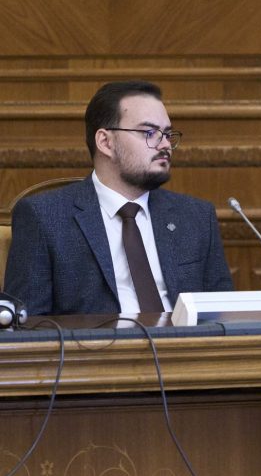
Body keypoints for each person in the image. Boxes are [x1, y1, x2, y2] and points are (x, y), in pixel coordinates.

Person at [4, 80, 233, 315]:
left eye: (167, 134)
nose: (165, 145)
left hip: (183, 339)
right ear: (106, 142)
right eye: (150, 133)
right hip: (96, 340)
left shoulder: (196, 216)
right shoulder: (44, 217)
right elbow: (28, 323)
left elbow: (224, 314)